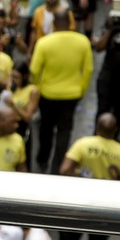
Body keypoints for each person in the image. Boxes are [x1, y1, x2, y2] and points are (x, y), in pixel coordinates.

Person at [30, 23, 94, 174]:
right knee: (64, 130)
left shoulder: (44, 42)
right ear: (71, 24)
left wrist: (37, 86)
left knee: (46, 127)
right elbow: (89, 69)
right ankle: (57, 165)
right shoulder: (83, 41)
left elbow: (34, 69)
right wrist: (81, 90)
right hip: (71, 95)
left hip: (47, 94)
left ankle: (42, 158)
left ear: (53, 24)